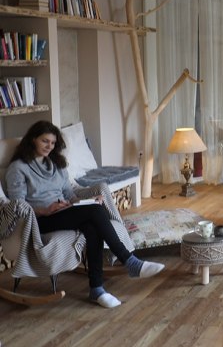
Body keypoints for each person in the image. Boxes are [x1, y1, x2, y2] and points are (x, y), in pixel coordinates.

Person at [5, 120, 164, 308]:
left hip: (62, 213)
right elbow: (18, 204)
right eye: (45, 141)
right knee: (95, 213)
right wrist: (45, 210)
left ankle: (96, 289)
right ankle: (129, 261)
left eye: (53, 143)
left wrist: (86, 200)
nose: (49, 146)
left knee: (92, 226)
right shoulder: (18, 168)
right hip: (39, 220)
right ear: (33, 140)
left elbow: (69, 195)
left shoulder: (56, 164)